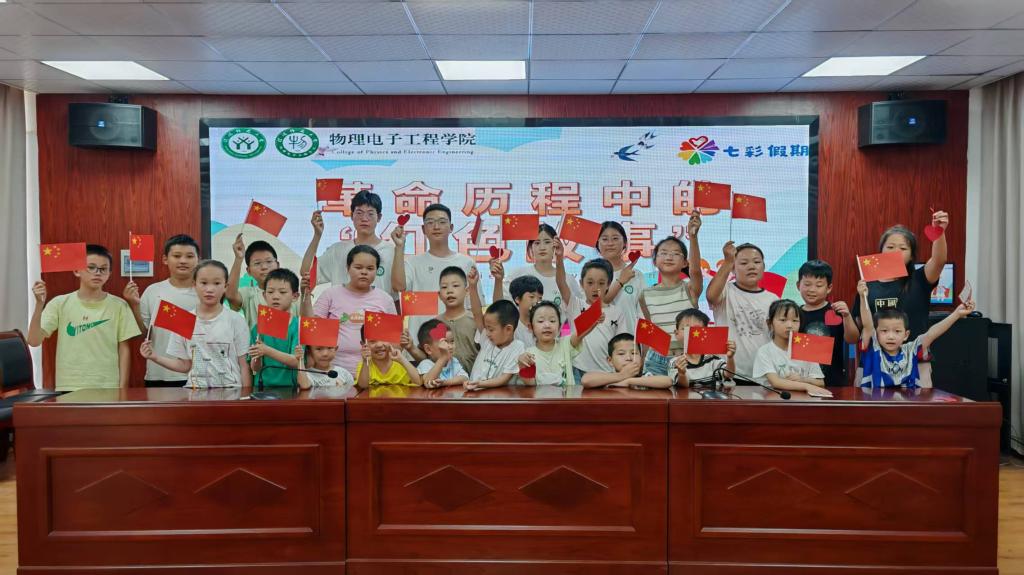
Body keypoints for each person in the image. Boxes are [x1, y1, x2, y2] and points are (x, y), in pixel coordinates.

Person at [27, 244, 140, 390]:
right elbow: (34, 341)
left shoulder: (119, 305)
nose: (97, 273)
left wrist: (122, 388)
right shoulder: (60, 303)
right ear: (76, 271)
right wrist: (39, 304)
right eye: (91, 267)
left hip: (107, 386)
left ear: (109, 273)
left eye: (103, 269)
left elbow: (124, 349)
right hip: (69, 385)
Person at [140, 260, 251, 388]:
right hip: (196, 393)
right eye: (203, 283)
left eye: (216, 283)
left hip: (231, 392)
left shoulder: (236, 320)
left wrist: (245, 397)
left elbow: (244, 365)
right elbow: (185, 365)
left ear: (225, 286)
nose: (209, 289)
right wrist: (154, 357)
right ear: (194, 285)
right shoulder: (185, 321)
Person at [390, 203, 481, 346]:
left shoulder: (466, 263)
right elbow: (398, 287)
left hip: (456, 344)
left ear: (451, 227)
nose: (436, 227)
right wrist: (399, 247)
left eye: (442, 222)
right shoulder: (413, 263)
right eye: (430, 222)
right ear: (423, 229)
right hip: (422, 345)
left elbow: (474, 307)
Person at [856, 279, 974, 388]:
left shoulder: (911, 349)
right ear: (876, 333)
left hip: (906, 403)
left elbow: (932, 333)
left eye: (897, 331)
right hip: (876, 403)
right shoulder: (873, 348)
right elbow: (868, 325)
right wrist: (862, 297)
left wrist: (956, 314)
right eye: (884, 331)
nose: (891, 336)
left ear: (906, 335)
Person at [852, 212, 949, 339]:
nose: (896, 252)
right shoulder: (867, 285)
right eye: (890, 247)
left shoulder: (920, 278)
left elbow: (939, 261)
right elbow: (859, 326)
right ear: (881, 251)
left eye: (903, 248)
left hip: (914, 350)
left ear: (912, 256)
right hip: (878, 351)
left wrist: (939, 231)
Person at [123, 234, 200, 387]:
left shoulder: (205, 293)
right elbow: (144, 333)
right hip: (159, 373)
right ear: (165, 259)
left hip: (199, 375)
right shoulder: (153, 291)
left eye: (189, 256)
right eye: (176, 256)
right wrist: (134, 305)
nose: (183, 261)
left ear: (198, 259)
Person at [310, 245, 397, 378]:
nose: (364, 272)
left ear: (377, 270)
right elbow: (312, 330)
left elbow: (395, 341)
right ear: (348, 268)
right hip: (334, 373)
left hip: (374, 374)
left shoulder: (385, 299)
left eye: (370, 268)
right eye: (358, 267)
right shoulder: (330, 294)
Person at [638, 214, 703, 374]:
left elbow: (695, 271)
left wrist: (693, 237)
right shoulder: (645, 294)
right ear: (654, 261)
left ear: (685, 262)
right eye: (663, 253)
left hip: (687, 359)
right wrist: (642, 361)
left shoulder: (689, 289)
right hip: (656, 360)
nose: (669, 257)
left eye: (675, 253)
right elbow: (649, 332)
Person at [300, 190, 396, 297]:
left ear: (379, 217)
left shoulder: (391, 252)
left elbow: (396, 293)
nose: (364, 218)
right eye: (359, 213)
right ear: (351, 216)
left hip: (378, 308)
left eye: (370, 214)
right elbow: (306, 272)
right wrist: (317, 235)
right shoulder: (337, 250)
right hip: (341, 308)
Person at [706, 241, 776, 378]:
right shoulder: (725, 291)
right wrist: (727, 261)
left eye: (757, 262)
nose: (751, 266)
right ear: (733, 269)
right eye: (744, 263)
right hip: (727, 374)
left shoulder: (773, 300)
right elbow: (711, 296)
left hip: (763, 376)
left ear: (763, 267)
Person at [796, 260, 859, 387]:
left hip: (833, 382)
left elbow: (853, 339)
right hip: (802, 382)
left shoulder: (837, 312)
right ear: (798, 285)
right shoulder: (794, 315)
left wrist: (847, 316)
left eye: (819, 285)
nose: (812, 290)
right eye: (807, 284)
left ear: (829, 288)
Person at [751, 299, 831, 397]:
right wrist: (807, 386)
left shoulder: (806, 348)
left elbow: (820, 382)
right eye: (783, 320)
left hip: (803, 401)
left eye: (795, 321)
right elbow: (776, 382)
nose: (790, 325)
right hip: (774, 401)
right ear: (770, 323)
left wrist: (802, 379)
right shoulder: (764, 351)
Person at [569, 258, 629, 379]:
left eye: (601, 283)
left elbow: (621, 344)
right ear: (581, 283)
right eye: (590, 283)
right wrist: (559, 259)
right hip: (578, 370)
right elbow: (561, 283)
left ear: (608, 284)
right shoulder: (576, 305)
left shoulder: (616, 312)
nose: (595, 288)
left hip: (607, 372)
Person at [517, 300, 600, 386]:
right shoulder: (528, 355)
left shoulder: (566, 344)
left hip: (567, 395)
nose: (547, 325)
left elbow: (580, 332)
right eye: (541, 321)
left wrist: (595, 315)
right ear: (531, 327)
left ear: (559, 327)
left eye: (552, 321)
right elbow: (530, 384)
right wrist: (522, 367)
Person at [501, 223, 580, 312]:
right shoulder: (517, 275)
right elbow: (502, 308)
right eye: (537, 243)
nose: (542, 247)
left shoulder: (568, 280)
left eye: (547, 242)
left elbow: (578, 310)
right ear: (531, 247)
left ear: (555, 244)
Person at [226, 237, 299, 329]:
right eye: (257, 263)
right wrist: (238, 258)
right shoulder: (248, 294)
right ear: (249, 271)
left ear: (277, 265)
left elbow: (307, 323)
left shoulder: (292, 293)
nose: (264, 267)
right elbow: (230, 295)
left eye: (269, 261)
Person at [248, 268, 300, 388]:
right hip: (262, 389)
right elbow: (255, 368)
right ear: (264, 295)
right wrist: (257, 356)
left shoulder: (298, 327)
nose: (275, 297)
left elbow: (297, 362)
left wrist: (266, 350)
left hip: (290, 389)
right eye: (270, 292)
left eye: (282, 292)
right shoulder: (257, 328)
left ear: (295, 296)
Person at [465, 297, 525, 390]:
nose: (487, 333)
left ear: (508, 329)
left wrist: (480, 384)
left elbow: (504, 378)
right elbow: (476, 313)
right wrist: (472, 288)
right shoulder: (487, 340)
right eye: (486, 328)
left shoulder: (517, 347)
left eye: (491, 329)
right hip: (474, 393)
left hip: (496, 396)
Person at [667, 309, 736, 388]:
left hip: (713, 396)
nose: (691, 333)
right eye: (685, 329)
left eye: (697, 329)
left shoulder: (712, 359)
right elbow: (683, 386)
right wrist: (681, 374)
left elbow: (729, 374)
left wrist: (730, 358)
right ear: (677, 333)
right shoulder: (675, 362)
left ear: (706, 333)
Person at [596, 221, 645, 331]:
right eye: (604, 239)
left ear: (624, 243)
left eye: (615, 238)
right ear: (597, 243)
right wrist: (621, 281)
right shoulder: (591, 275)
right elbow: (595, 306)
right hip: (601, 339)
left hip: (629, 339)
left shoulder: (636, 275)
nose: (610, 243)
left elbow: (643, 314)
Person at [580, 334, 649, 388]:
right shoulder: (607, 379)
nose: (628, 358)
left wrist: (630, 381)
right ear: (610, 361)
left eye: (633, 353)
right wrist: (622, 375)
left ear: (641, 358)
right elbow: (586, 380)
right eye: (621, 354)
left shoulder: (648, 377)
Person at [355, 332, 421, 388]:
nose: (379, 345)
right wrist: (365, 361)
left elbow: (418, 382)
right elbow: (363, 386)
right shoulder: (364, 365)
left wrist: (402, 360)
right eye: (372, 341)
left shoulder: (401, 363)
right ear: (363, 344)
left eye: (384, 339)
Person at [416, 319, 469, 389]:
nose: (450, 346)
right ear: (428, 349)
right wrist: (443, 358)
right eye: (444, 342)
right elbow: (428, 382)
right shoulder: (425, 364)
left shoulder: (453, 361)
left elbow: (465, 377)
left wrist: (444, 383)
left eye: (452, 341)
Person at [506, 275, 544, 347]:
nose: (537, 301)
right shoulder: (511, 325)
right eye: (532, 297)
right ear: (517, 299)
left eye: (540, 298)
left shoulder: (544, 324)